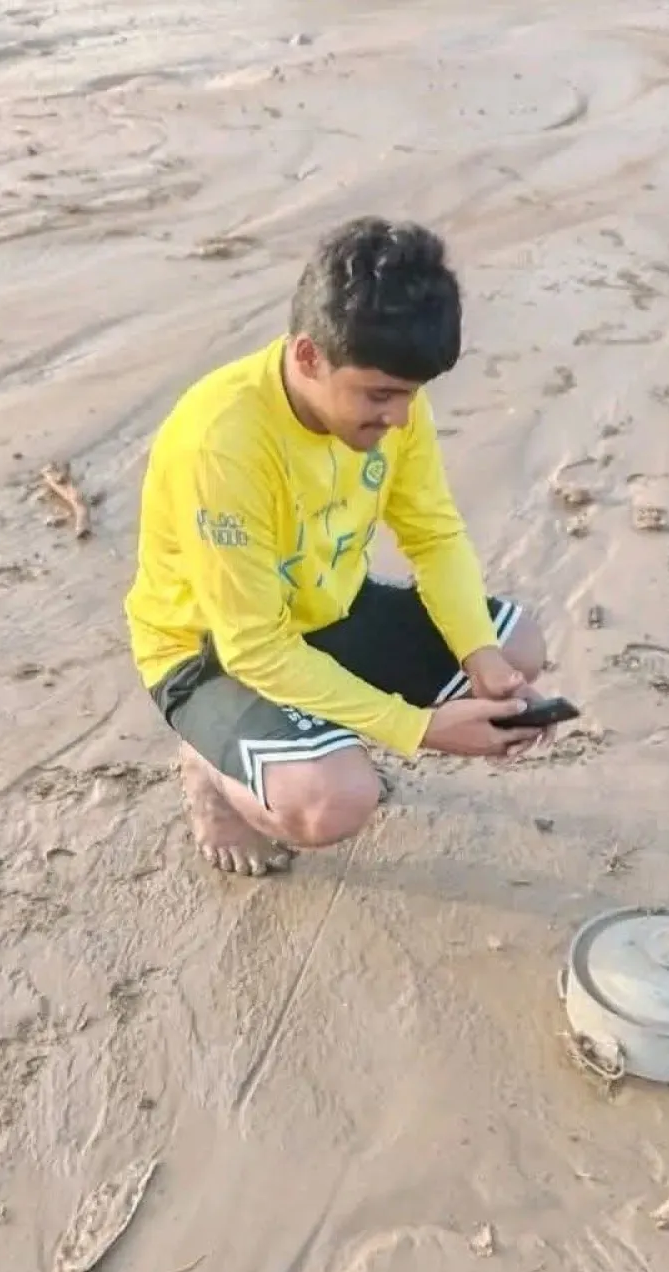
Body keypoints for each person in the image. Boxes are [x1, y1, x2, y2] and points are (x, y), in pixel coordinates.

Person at [124, 216, 549, 876]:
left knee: (518, 645)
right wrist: (417, 728)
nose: (399, 419)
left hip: (327, 609)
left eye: (411, 396)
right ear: (306, 357)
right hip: (209, 650)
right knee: (335, 801)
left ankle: (309, 732)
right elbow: (255, 646)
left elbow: (434, 535)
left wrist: (482, 656)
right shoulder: (224, 442)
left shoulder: (393, 403)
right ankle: (210, 766)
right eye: (379, 396)